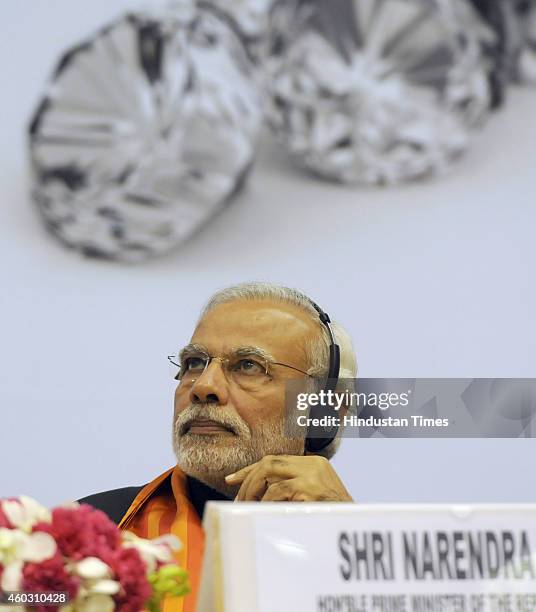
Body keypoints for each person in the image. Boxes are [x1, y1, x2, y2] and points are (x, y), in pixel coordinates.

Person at [80, 282, 357, 611]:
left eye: (249, 365)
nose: (203, 386)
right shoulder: (90, 534)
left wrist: (351, 538)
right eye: (195, 363)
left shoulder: (381, 557)